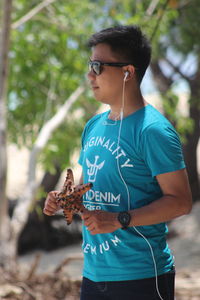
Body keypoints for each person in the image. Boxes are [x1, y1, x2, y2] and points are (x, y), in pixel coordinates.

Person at [43, 25, 192, 300]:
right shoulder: (93, 125)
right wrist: (64, 200)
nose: (90, 75)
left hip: (142, 276)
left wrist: (119, 220)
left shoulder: (152, 131)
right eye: (90, 65)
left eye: (98, 66)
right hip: (94, 275)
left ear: (128, 72)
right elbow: (95, 193)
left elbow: (181, 202)